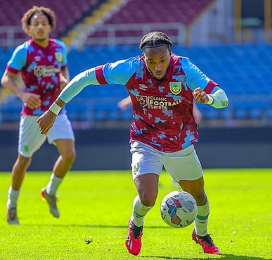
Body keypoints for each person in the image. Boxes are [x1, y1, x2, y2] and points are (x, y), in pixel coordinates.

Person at [37, 31, 228, 255]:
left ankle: (201, 234)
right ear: (142, 58)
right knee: (148, 197)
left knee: (199, 197)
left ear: (170, 54)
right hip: (145, 141)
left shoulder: (185, 69)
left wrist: (210, 99)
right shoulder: (130, 69)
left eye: (162, 60)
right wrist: (54, 109)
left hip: (180, 144)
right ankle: (136, 225)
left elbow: (222, 97)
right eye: (151, 61)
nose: (157, 66)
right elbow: (86, 77)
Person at [1, 6, 76, 225]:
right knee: (23, 161)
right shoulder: (23, 51)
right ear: (28, 28)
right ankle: (12, 205)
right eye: (35, 24)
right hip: (32, 114)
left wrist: (63, 80)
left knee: (69, 153)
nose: (40, 27)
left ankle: (50, 191)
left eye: (44, 23)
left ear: (50, 26)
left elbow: (63, 70)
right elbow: (6, 78)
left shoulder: (60, 47)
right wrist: (22, 94)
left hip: (55, 110)